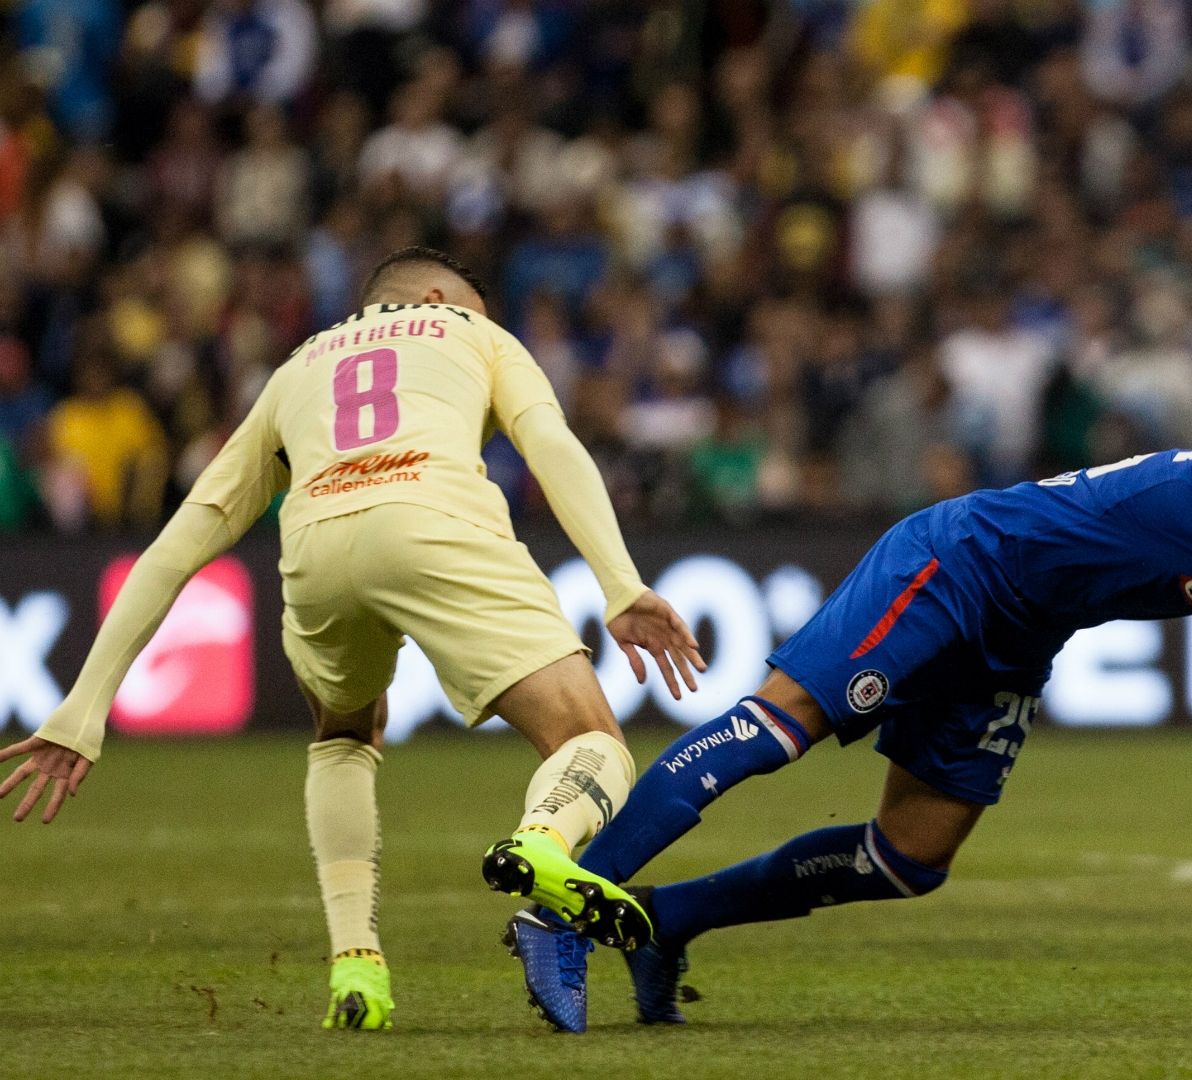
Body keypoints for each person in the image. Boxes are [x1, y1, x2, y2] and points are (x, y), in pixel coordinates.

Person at [507, 404, 1192, 1032]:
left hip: (1021, 634)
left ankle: (667, 922)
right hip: (960, 562)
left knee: (910, 857)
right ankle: (558, 907)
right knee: (782, 726)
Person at [0, 247, 707, 1031]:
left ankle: (357, 967)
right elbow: (551, 444)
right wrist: (620, 584)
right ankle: (541, 842)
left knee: (343, 734)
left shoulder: (294, 370)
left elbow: (182, 541)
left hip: (316, 545)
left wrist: (83, 706)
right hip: (435, 521)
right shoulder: (475, 333)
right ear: (437, 297)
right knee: (588, 739)